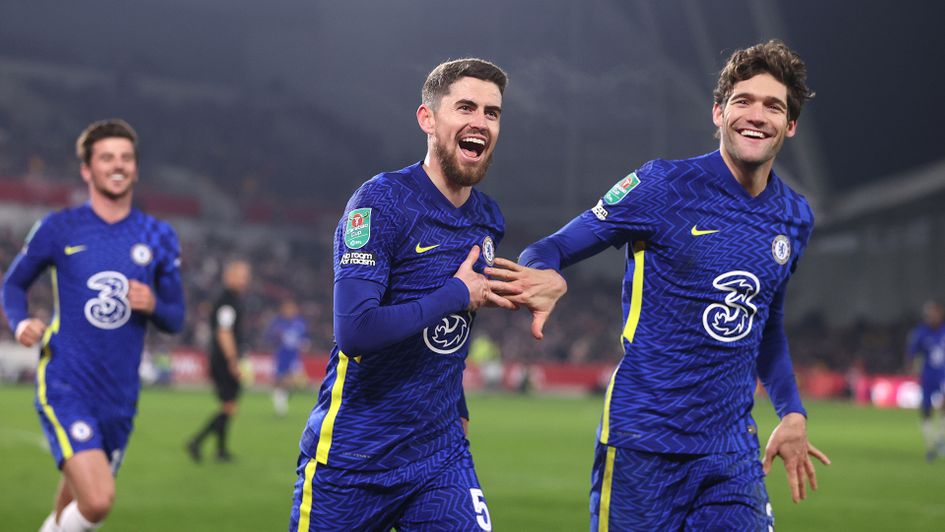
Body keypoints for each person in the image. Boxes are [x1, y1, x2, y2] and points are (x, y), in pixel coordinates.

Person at [487, 40, 830, 530]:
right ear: (718, 112)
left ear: (790, 125)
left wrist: (792, 412)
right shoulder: (663, 186)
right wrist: (545, 274)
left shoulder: (795, 216)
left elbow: (766, 323)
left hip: (731, 454)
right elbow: (552, 248)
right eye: (743, 101)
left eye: (773, 106)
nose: (756, 115)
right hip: (643, 446)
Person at [288, 58, 515, 531]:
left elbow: (450, 336)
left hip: (440, 458)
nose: (481, 122)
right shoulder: (381, 202)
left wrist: (459, 409)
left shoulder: (488, 218)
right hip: (352, 460)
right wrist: (454, 293)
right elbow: (355, 330)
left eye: (492, 113)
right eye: (466, 107)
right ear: (427, 119)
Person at [1, 119, 185, 531]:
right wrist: (20, 322)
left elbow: (175, 318)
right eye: (106, 158)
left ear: (135, 168)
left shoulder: (159, 236)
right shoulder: (58, 228)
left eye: (125, 157)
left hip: (120, 395)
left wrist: (154, 302)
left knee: (75, 501)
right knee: (98, 501)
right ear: (87, 169)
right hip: (66, 381)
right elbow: (13, 285)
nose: (117, 165)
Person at [186, 259, 252, 462]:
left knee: (228, 404)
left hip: (223, 358)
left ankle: (221, 451)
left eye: (246, 277)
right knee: (229, 407)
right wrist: (232, 361)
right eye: (241, 276)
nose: (244, 281)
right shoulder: (227, 301)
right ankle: (196, 441)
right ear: (229, 276)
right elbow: (224, 333)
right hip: (223, 360)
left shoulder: (230, 300)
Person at [906, 300, 945, 461]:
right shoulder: (921, 332)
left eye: (934, 313)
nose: (931, 316)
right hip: (928, 376)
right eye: (929, 314)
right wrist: (911, 367)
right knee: (926, 410)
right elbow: (912, 353)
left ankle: (941, 439)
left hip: (943, 375)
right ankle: (931, 444)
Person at [267, 297, 310, 416]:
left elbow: (305, 337)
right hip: (282, 355)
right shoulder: (278, 322)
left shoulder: (300, 323)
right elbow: (270, 337)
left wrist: (305, 343)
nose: (290, 311)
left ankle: (280, 397)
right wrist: (276, 339)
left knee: (295, 381)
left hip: (294, 356)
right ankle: (280, 401)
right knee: (280, 379)